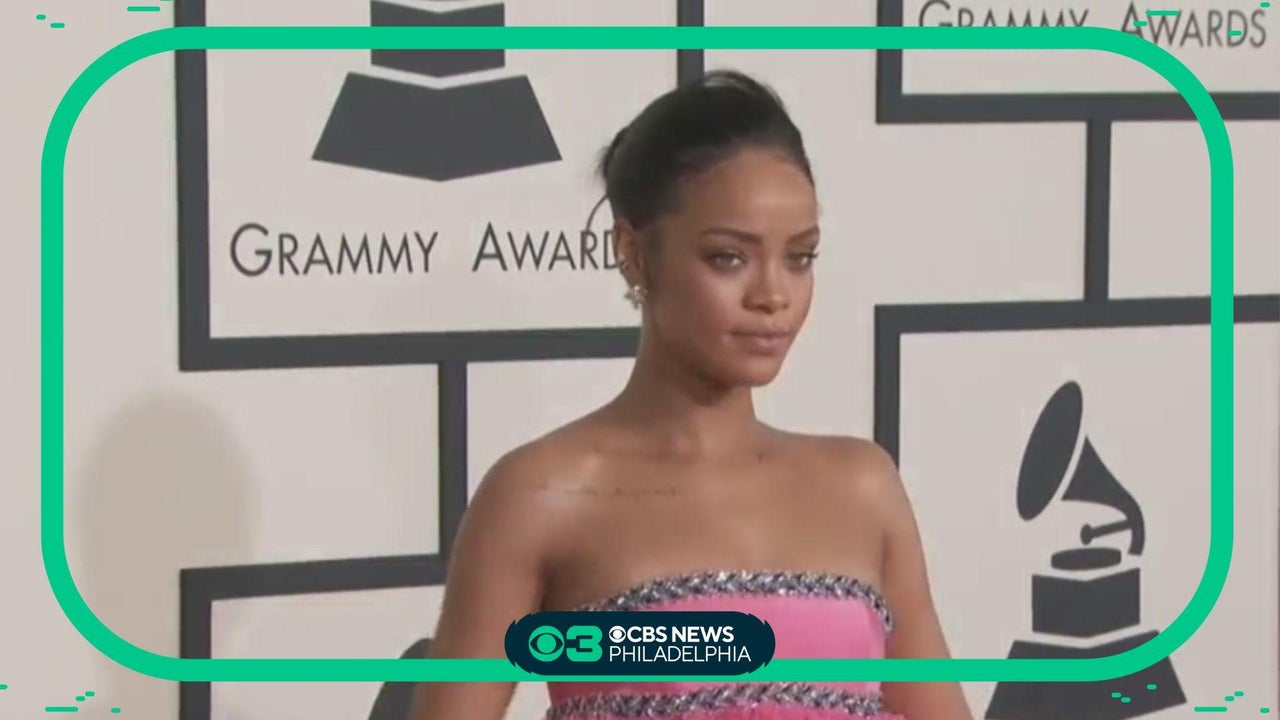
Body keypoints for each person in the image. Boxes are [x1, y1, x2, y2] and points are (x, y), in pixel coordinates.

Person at [409, 69, 973, 720]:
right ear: (634, 254)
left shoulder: (862, 486)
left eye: (799, 257)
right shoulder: (540, 496)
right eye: (728, 257)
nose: (773, 295)